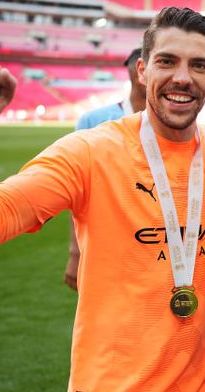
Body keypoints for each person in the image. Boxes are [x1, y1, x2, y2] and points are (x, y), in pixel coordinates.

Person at [0, 7, 205, 391]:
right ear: (142, 70)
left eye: (198, 65)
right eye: (166, 62)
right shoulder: (89, 151)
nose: (182, 78)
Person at [64, 47, 147, 291]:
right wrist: (75, 252)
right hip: (104, 245)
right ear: (138, 74)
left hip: (156, 245)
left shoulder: (173, 123)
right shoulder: (92, 121)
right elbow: (77, 189)